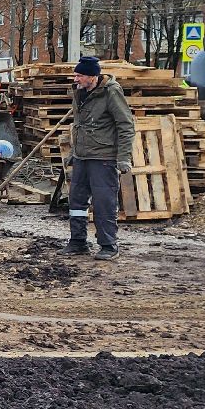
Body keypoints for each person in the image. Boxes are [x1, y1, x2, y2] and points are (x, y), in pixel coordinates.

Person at [65, 56, 135, 260]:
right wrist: (73, 152)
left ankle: (108, 245)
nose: (75, 78)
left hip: (103, 157)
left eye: (79, 75)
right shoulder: (80, 93)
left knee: (104, 202)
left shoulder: (111, 92)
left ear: (92, 77)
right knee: (76, 201)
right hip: (82, 157)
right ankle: (78, 242)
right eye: (75, 75)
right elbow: (80, 125)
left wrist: (123, 157)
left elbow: (126, 125)